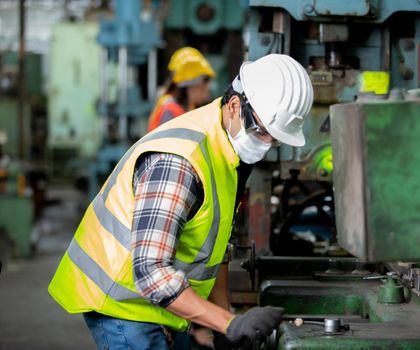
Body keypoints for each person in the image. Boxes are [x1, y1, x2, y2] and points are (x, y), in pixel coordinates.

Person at [48, 53, 314, 350]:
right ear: (236, 106)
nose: (265, 145)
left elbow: (217, 247)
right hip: (123, 305)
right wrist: (228, 323)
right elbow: (150, 273)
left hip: (163, 305)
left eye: (274, 140)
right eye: (261, 132)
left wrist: (224, 323)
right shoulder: (180, 162)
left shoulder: (228, 151)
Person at [147, 47, 216, 132]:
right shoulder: (170, 111)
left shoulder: (181, 109)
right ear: (195, 85)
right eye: (205, 84)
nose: (207, 91)